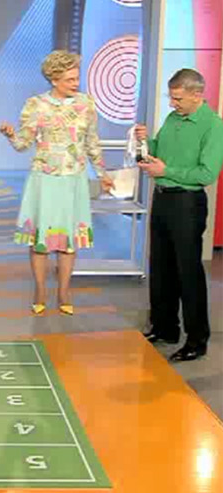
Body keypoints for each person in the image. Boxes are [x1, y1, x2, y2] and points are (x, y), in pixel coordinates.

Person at [0, 50, 114, 315]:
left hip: (74, 180)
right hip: (45, 180)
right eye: (70, 79)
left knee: (69, 239)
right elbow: (22, 144)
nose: (76, 83)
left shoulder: (86, 104)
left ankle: (64, 291)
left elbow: (92, 142)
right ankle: (40, 289)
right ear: (54, 79)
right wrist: (10, 134)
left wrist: (102, 173)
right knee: (42, 238)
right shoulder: (36, 105)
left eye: (76, 78)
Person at [136, 68, 223, 361]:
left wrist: (167, 170)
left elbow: (207, 173)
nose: (173, 104)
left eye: (178, 99)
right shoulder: (173, 118)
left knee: (188, 271)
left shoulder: (213, 126)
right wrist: (146, 142)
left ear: (197, 95)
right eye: (171, 98)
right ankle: (164, 328)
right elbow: (159, 151)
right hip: (162, 199)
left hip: (187, 203)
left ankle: (197, 340)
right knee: (160, 266)